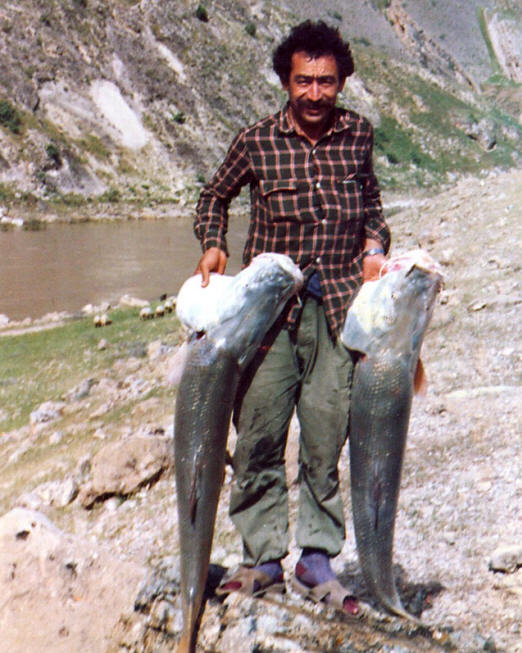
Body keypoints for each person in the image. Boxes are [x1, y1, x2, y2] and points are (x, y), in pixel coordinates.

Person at [193, 20, 390, 615]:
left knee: (326, 436)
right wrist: (213, 243)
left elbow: (373, 205)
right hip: (268, 316)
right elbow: (214, 195)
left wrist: (375, 246)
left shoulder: (358, 134)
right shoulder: (256, 140)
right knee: (258, 435)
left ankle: (316, 559)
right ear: (286, 80)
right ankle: (261, 560)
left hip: (338, 310)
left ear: (341, 82)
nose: (314, 93)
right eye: (303, 81)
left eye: (325, 81)